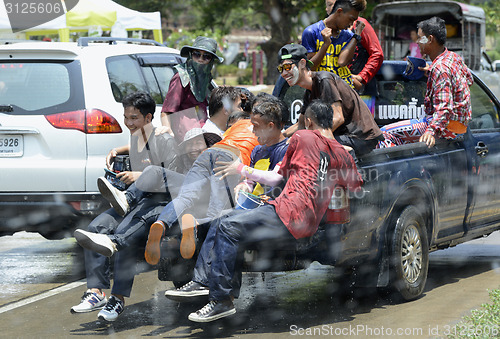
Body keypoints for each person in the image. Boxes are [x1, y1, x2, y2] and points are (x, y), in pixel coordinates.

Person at [165, 100, 362, 322]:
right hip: (306, 221)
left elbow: (279, 175)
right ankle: (214, 290)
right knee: (229, 223)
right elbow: (356, 185)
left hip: (288, 211)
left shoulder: (301, 138)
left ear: (308, 121)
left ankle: (221, 300)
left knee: (227, 224)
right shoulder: (343, 154)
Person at [70, 92, 180, 321]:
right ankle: (96, 291)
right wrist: (119, 150)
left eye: (134, 118)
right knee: (95, 228)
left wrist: (141, 175)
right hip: (134, 200)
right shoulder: (136, 136)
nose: (128, 123)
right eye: (126, 117)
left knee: (122, 235)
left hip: (161, 202)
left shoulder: (165, 139)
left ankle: (117, 299)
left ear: (149, 117)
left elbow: (176, 177)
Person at [173, 95, 290, 266]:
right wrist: (243, 185)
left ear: (271, 126)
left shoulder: (286, 149)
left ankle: (204, 278)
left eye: (255, 127)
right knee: (221, 219)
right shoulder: (257, 150)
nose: (252, 131)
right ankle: (207, 277)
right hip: (250, 205)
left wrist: (241, 169)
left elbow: (274, 178)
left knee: (223, 223)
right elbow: (250, 181)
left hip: (271, 209)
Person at [143, 106, 260, 265]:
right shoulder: (258, 131)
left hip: (209, 154)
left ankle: (161, 223)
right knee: (215, 210)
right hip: (230, 159)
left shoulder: (227, 133)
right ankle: (196, 224)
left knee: (185, 197)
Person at [378, 17, 473, 148]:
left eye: (420, 38)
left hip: (446, 128)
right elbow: (469, 79)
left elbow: (444, 108)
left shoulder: (440, 69)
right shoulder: (453, 57)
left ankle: (401, 167)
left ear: (430, 39)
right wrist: (433, 72)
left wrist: (431, 131)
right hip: (460, 127)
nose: (417, 42)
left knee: (383, 134)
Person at [279, 43, 383, 159]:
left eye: (287, 67)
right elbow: (301, 124)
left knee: (311, 150)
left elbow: (338, 118)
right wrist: (280, 137)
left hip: (359, 138)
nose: (284, 73)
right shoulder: (309, 91)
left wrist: (311, 138)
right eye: (280, 69)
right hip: (344, 136)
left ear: (302, 63)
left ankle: (355, 176)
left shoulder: (324, 80)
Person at [160, 36, 224, 143]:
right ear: (190, 55)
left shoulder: (205, 79)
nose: (200, 59)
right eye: (197, 54)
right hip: (185, 140)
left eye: (206, 57)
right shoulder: (181, 77)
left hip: (203, 134)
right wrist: (168, 135)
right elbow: (166, 111)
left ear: (211, 61)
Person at [302, 0, 366, 88]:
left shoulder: (348, 35)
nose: (351, 24)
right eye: (350, 19)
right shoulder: (312, 32)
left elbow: (342, 62)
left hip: (344, 90)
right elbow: (309, 68)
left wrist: (356, 36)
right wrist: (325, 45)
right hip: (321, 90)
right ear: (339, 11)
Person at [323, 0, 384, 94]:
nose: (333, 8)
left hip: (362, 91)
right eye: (330, 5)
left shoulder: (360, 24)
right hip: (334, 89)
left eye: (335, 4)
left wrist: (361, 77)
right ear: (326, 9)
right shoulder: (321, 30)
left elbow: (377, 54)